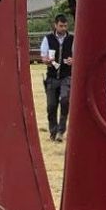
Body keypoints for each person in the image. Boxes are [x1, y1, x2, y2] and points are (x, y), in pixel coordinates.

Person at [40, 13, 73, 141]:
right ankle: (53, 132)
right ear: (55, 25)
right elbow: (43, 57)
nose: (63, 28)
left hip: (66, 76)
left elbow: (78, 56)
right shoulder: (47, 39)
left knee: (65, 102)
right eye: (61, 26)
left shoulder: (72, 39)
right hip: (52, 77)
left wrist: (73, 60)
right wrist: (47, 60)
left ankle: (60, 131)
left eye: (65, 26)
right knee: (51, 106)